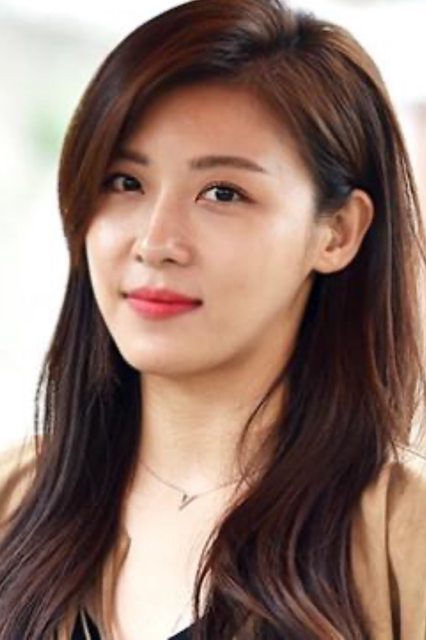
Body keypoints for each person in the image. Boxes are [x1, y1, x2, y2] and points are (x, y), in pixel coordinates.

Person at [1, 0, 426, 638]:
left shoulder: (404, 540)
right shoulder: (15, 502)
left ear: (337, 232)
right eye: (124, 182)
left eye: (223, 193)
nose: (155, 242)